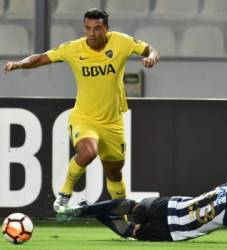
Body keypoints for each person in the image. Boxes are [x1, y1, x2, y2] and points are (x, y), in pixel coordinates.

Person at [3, 9, 160, 212]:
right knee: (88, 152)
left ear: (106, 29)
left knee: (114, 173)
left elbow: (151, 50)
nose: (92, 33)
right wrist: (18, 64)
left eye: (97, 28)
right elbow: (41, 58)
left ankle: (122, 218)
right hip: (84, 117)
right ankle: (64, 195)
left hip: (113, 122)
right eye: (87, 28)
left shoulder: (121, 42)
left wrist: (152, 59)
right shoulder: (74, 48)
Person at [57, 172, 227, 244]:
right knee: (131, 225)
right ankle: (90, 211)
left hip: (172, 208)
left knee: (133, 211)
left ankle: (89, 210)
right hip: (173, 225)